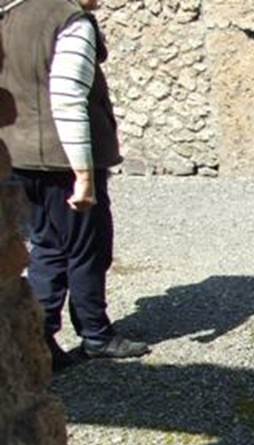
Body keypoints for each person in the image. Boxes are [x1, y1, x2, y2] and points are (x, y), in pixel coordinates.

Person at [0, 0, 148, 371]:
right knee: (87, 248)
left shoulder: (11, 15)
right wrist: (83, 176)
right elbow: (67, 100)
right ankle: (95, 335)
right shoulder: (69, 21)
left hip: (20, 158)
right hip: (62, 161)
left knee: (47, 248)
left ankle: (37, 339)